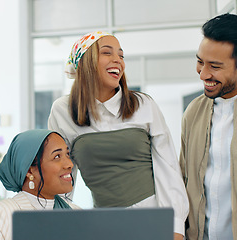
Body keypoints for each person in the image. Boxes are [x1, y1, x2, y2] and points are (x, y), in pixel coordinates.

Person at [48, 31, 189, 240]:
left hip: (154, 221)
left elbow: (167, 168)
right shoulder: (63, 110)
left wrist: (176, 227)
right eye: (107, 53)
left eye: (121, 55)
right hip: (104, 226)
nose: (118, 60)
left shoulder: (144, 104)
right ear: (86, 62)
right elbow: (61, 177)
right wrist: (59, 225)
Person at [180, 13, 237, 240]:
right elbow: (183, 181)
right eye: (199, 62)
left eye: (214, 66)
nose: (203, 74)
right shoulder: (193, 112)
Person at [0, 129, 80, 240]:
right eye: (57, 156)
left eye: (67, 154)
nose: (69, 164)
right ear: (29, 171)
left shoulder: (75, 212)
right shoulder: (1, 215)